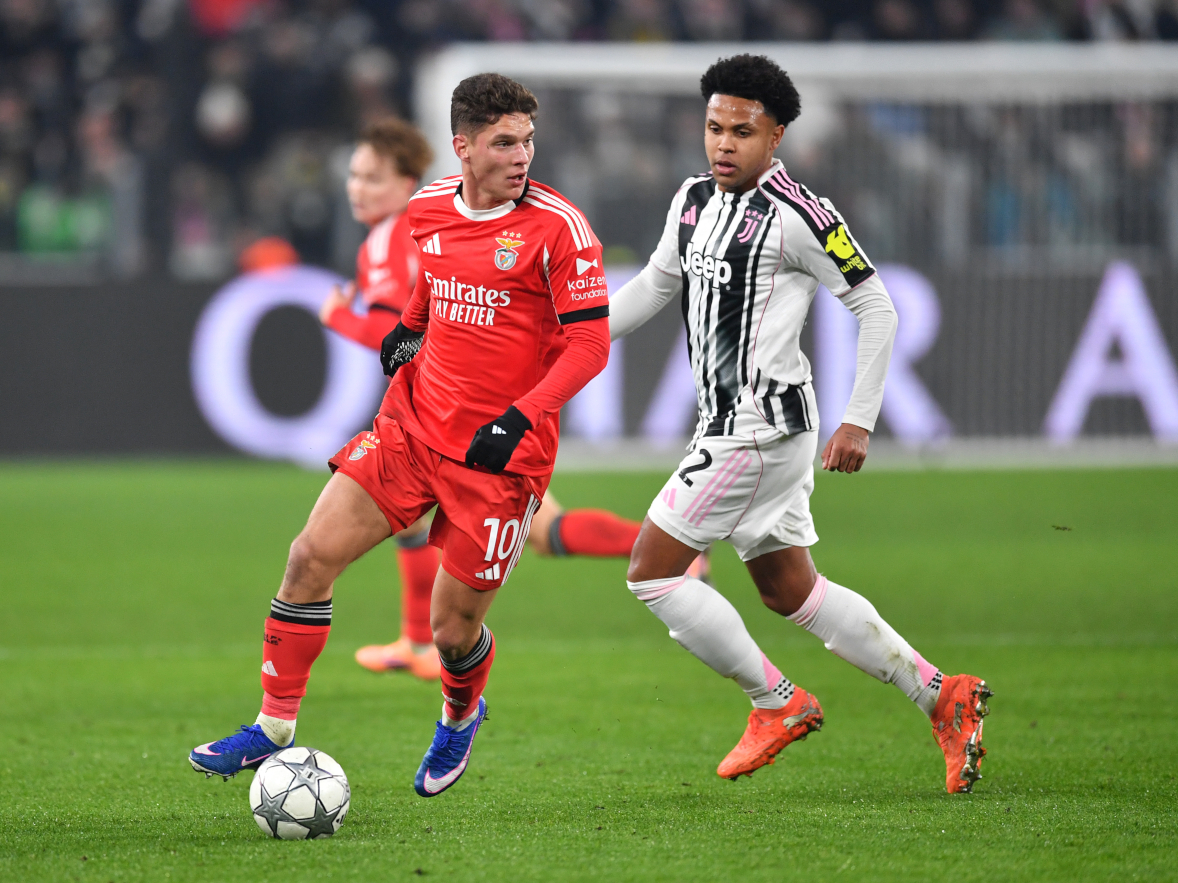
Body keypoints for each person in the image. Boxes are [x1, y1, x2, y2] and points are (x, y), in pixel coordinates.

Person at [190, 73, 611, 798]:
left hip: (499, 458)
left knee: (452, 632)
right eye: (504, 143)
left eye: (527, 141)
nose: (521, 156)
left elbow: (590, 347)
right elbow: (433, 280)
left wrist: (520, 417)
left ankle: (460, 712)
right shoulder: (427, 208)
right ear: (463, 147)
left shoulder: (559, 230)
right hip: (410, 428)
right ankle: (273, 726)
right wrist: (410, 328)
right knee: (308, 557)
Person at [610, 54, 992, 794]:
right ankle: (942, 695)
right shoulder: (692, 198)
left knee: (652, 572)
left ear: (776, 135)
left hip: (758, 427)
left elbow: (876, 306)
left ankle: (775, 701)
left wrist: (860, 420)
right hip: (733, 425)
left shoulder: (800, 216)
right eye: (714, 128)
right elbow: (656, 283)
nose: (724, 144)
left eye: (742, 132)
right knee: (791, 590)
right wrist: (573, 336)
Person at [317, 117, 644, 681]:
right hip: (450, 417)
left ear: (405, 183)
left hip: (476, 420)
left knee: (544, 534)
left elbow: (394, 330)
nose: (357, 189)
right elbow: (420, 313)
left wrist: (340, 319)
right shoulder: (428, 219)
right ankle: (416, 641)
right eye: (354, 176)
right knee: (430, 528)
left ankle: (670, 549)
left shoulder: (393, 238)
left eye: (372, 178)